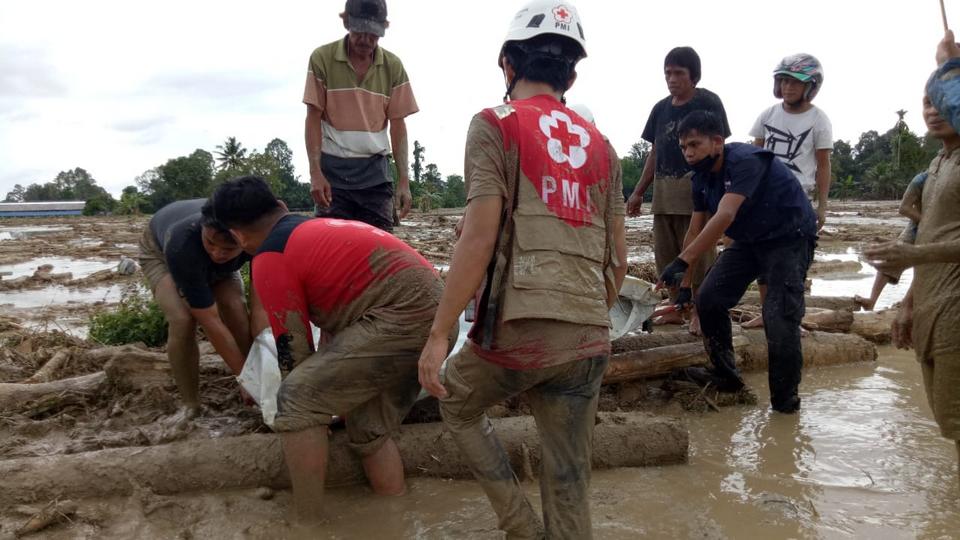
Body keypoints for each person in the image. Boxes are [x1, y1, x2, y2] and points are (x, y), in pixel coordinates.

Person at [417, 2, 627, 537]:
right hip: (588, 334)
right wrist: (582, 322)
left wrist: (440, 333)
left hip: (520, 331)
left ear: (507, 64)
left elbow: (479, 237)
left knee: (458, 403)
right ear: (572, 75)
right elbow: (618, 260)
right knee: (570, 480)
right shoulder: (603, 147)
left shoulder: (494, 124)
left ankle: (518, 525)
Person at [210, 176, 454, 520]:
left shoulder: (271, 256)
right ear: (280, 206)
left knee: (295, 400)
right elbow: (336, 327)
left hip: (402, 321)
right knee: (368, 430)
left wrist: (310, 413)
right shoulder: (316, 229)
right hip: (436, 321)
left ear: (236, 235)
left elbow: (293, 353)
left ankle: (309, 522)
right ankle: (397, 514)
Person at [658, 110, 817, 414]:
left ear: (717, 142)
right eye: (683, 148)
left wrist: (680, 261)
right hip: (750, 239)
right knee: (710, 299)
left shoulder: (745, 160)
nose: (688, 153)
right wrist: (687, 286)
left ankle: (785, 406)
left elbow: (725, 215)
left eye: (695, 145)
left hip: (789, 236)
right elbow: (695, 229)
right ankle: (726, 375)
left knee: (779, 318)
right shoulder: (700, 180)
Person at [865, 31, 960, 479]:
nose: (933, 108)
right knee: (948, 420)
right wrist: (906, 304)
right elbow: (924, 236)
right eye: (926, 101)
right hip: (932, 306)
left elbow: (919, 249)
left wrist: (948, 66)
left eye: (940, 98)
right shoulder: (935, 168)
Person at [625, 46, 730, 334]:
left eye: (678, 73)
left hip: (698, 189)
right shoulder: (660, 109)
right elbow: (655, 152)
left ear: (693, 76)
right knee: (667, 254)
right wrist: (638, 192)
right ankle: (676, 307)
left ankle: (699, 310)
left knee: (699, 252)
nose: (671, 78)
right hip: (664, 192)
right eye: (667, 73)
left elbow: (720, 147)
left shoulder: (709, 102)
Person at [303, 0, 417, 231]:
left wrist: (403, 181)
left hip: (375, 174)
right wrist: (315, 173)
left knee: (380, 253)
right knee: (331, 250)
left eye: (373, 34)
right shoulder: (322, 59)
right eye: (359, 32)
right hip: (332, 176)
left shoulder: (393, 67)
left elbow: (398, 126)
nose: (365, 40)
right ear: (346, 22)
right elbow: (313, 118)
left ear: (384, 28)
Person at [138, 198, 257, 418]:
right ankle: (190, 404)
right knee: (182, 320)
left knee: (235, 306)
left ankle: (256, 383)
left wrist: (255, 376)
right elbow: (209, 319)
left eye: (228, 248)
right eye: (211, 243)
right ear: (204, 228)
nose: (217, 253)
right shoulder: (181, 244)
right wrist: (244, 376)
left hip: (219, 255)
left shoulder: (257, 237)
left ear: (244, 240)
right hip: (160, 251)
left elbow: (261, 307)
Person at [743, 54, 833, 328]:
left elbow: (823, 165)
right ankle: (766, 313)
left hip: (797, 201)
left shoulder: (819, 120)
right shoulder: (767, 115)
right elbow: (754, 157)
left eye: (795, 82)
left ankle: (791, 318)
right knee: (763, 258)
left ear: (811, 86)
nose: (788, 87)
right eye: (783, 81)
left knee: (793, 262)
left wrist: (822, 206)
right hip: (763, 199)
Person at [854, 171, 926, 311]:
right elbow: (904, 208)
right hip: (916, 229)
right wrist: (927, 223)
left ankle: (911, 305)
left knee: (928, 269)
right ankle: (872, 301)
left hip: (945, 231)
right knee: (891, 261)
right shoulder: (922, 179)